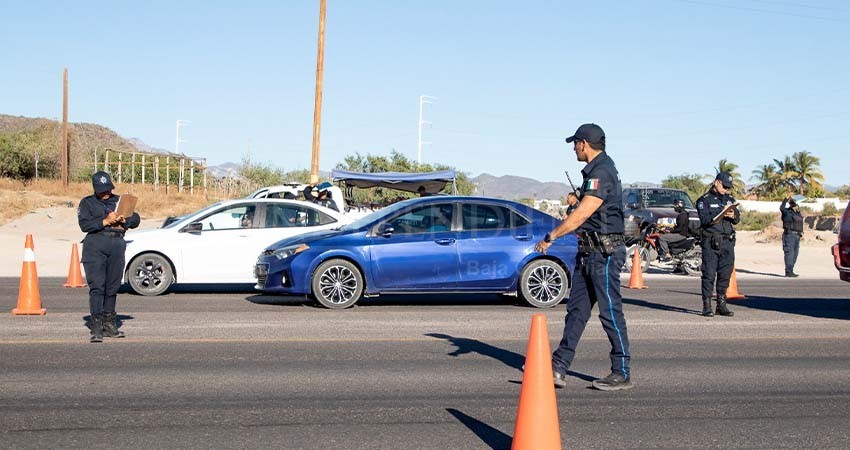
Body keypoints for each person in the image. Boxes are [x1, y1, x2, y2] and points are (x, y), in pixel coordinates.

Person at [535, 123, 632, 391]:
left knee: (610, 313)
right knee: (576, 311)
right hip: (588, 252)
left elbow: (584, 214)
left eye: (575, 144)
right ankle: (558, 366)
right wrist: (577, 201)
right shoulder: (596, 172)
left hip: (605, 253)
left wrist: (551, 236)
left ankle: (621, 371)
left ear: (583, 144)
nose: (573, 149)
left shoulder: (602, 171)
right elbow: (589, 207)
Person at [77, 171, 140, 342]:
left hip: (116, 244)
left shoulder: (120, 201)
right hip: (95, 245)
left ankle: (110, 324)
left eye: (108, 189)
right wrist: (105, 221)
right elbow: (84, 225)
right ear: (95, 189)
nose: (106, 193)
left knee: (112, 287)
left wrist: (123, 220)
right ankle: (96, 326)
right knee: (97, 287)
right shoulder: (87, 203)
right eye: (102, 190)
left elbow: (136, 220)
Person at [696, 171, 739, 317]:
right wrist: (720, 214)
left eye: (728, 188)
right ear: (717, 182)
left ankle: (721, 304)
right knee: (709, 274)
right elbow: (705, 220)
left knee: (725, 274)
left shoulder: (729, 199)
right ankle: (706, 306)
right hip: (711, 242)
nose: (726, 190)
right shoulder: (704, 200)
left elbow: (737, 219)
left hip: (728, 241)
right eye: (725, 186)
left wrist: (733, 215)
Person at [780, 195, 804, 277]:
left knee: (795, 254)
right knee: (789, 254)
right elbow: (781, 208)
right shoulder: (786, 212)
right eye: (793, 204)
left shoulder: (797, 213)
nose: (795, 206)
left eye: (796, 205)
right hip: (789, 235)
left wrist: (801, 233)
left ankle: (791, 270)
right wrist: (785, 200)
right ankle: (788, 271)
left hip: (797, 236)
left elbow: (799, 223)